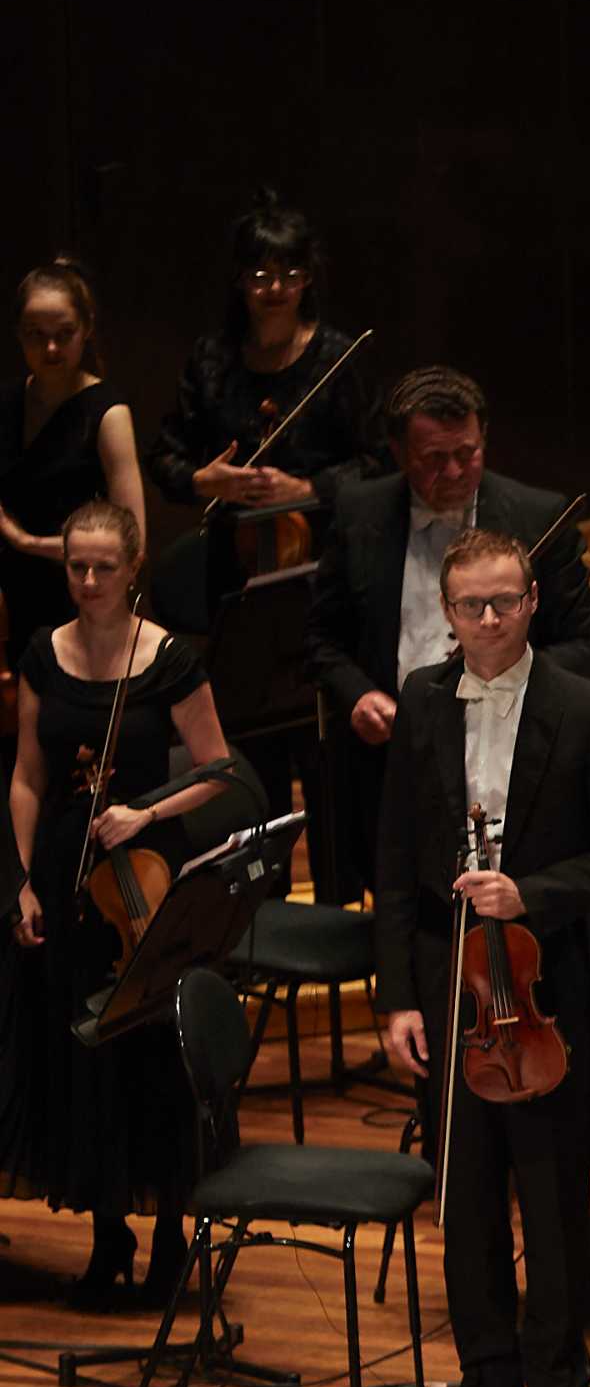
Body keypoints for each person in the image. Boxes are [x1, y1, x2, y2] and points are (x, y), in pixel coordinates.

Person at [376, 530, 590, 1387]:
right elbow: (392, 857)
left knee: (549, 1194)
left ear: (534, 601)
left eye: (504, 602)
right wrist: (397, 997)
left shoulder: (584, 710)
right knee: (465, 1195)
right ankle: (488, 1373)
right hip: (444, 977)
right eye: (470, 607)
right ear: (447, 615)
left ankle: (555, 1381)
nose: (488, 620)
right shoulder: (422, 701)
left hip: (543, 992)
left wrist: (528, 893)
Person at [3, 503, 234, 1308]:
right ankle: (108, 1237)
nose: (91, 582)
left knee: (151, 1061)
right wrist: (23, 878)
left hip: (146, 877)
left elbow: (219, 771)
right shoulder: (42, 653)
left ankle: (171, 1235)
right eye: (77, 567)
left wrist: (147, 813)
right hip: (70, 875)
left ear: (134, 567)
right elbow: (29, 775)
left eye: (105, 567)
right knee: (83, 1054)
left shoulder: (170, 660)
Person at [306, 368, 590, 906]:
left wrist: (505, 690)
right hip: (396, 758)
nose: (456, 471)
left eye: (468, 453)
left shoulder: (537, 517)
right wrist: (358, 695)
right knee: (406, 908)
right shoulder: (358, 511)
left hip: (513, 757)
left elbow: (585, 646)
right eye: (434, 459)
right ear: (397, 452)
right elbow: (323, 638)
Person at [151, 195, 382, 600]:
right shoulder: (211, 360)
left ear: (308, 278)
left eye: (291, 274)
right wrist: (202, 480)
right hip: (230, 560)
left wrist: (308, 489)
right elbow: (163, 458)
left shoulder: (339, 359)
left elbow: (379, 463)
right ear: (239, 279)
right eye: (261, 275)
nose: (276, 288)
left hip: (327, 554)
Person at [0, 261, 145, 644]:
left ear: (87, 330)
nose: (51, 348)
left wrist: (25, 542)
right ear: (18, 334)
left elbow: (134, 541)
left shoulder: (108, 413)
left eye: (64, 334)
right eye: (36, 335)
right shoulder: (5, 402)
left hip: (81, 603)